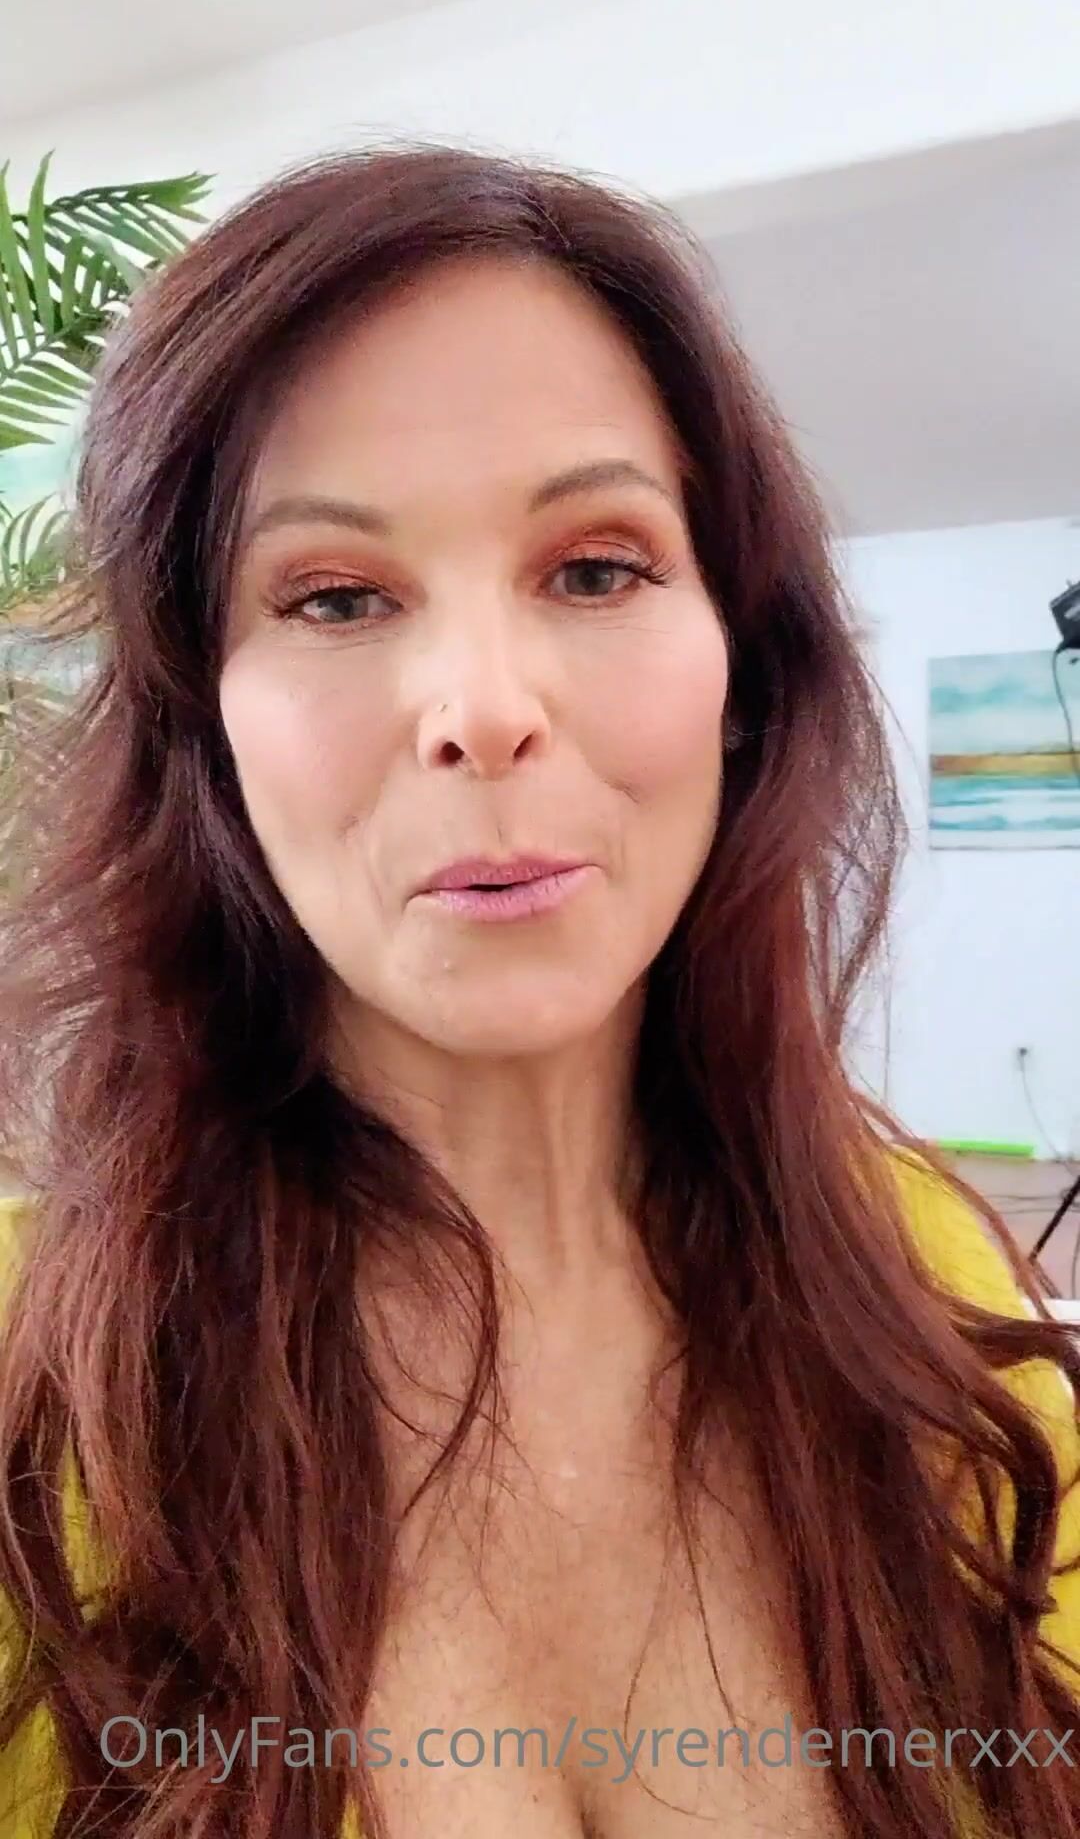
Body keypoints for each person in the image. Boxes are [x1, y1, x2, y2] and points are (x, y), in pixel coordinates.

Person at [0, 142, 1077, 1839]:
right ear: (206, 725)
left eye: (595, 569)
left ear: (741, 664)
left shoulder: (931, 1294)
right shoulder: (35, 1381)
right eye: (335, 597)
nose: (483, 708)